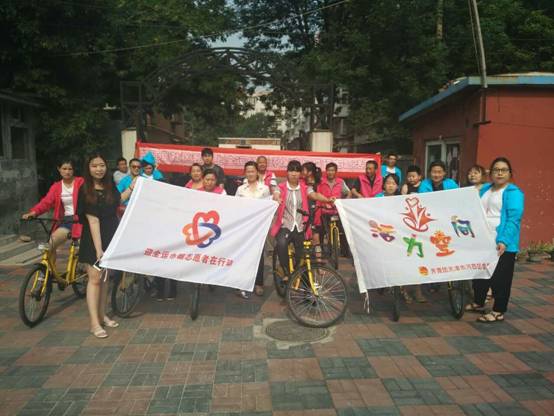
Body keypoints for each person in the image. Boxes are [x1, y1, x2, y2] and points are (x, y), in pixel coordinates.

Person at [466, 157, 524, 323]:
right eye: (496, 170)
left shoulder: (513, 193)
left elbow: (514, 219)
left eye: (503, 170)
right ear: (490, 173)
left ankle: (498, 310)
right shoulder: (486, 189)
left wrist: (504, 240)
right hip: (482, 240)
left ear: (510, 173)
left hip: (501, 242)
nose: (499, 173)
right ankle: (479, 302)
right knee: (479, 274)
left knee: (500, 278)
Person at [77, 154, 120, 339]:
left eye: (101, 165)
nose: (99, 169)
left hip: (110, 235)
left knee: (105, 279)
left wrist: (133, 186)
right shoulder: (85, 190)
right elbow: (93, 221)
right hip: (93, 240)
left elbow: (118, 202)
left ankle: (103, 315)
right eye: (94, 166)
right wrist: (99, 250)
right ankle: (94, 323)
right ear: (88, 168)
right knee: (95, 279)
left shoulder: (109, 186)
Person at [271, 160, 335, 280]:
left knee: (303, 255)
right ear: (287, 172)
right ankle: (285, 271)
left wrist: (327, 199)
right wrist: (277, 198)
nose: (294, 173)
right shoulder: (281, 187)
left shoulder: (305, 188)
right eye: (291, 170)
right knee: (281, 243)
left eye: (297, 171)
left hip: (301, 227)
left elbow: (315, 195)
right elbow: (276, 193)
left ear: (300, 173)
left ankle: (302, 279)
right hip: (285, 225)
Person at [22, 159, 84, 267]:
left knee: (83, 249)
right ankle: (49, 272)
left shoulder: (81, 182)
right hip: (66, 221)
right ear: (59, 169)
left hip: (82, 220)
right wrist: (34, 212)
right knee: (50, 244)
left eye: (70, 169)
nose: (67, 171)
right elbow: (46, 202)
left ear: (74, 170)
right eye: (64, 169)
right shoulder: (56, 186)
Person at [419, 161, 459, 293]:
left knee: (447, 249)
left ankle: (449, 276)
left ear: (444, 173)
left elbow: (458, 199)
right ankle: (432, 279)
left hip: (448, 222)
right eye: (434, 172)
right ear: (430, 173)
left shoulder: (451, 184)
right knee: (432, 251)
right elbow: (423, 202)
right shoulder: (424, 184)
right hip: (430, 223)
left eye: (439, 172)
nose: (436, 175)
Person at [235, 161, 271, 298]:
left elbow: (268, 207)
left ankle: (258, 283)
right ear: (245, 173)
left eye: (252, 171)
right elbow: (235, 206)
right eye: (248, 171)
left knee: (258, 255)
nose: (250, 174)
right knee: (243, 254)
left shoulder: (264, 188)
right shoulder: (240, 189)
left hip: (259, 227)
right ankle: (242, 282)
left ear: (257, 172)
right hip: (244, 226)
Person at [400, 165, 427, 303]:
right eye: (409, 176)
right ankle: (404, 289)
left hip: (422, 227)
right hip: (408, 227)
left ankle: (418, 290)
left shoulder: (425, 186)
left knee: (420, 258)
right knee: (408, 257)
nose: (411, 178)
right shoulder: (405, 188)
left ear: (420, 176)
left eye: (413, 176)